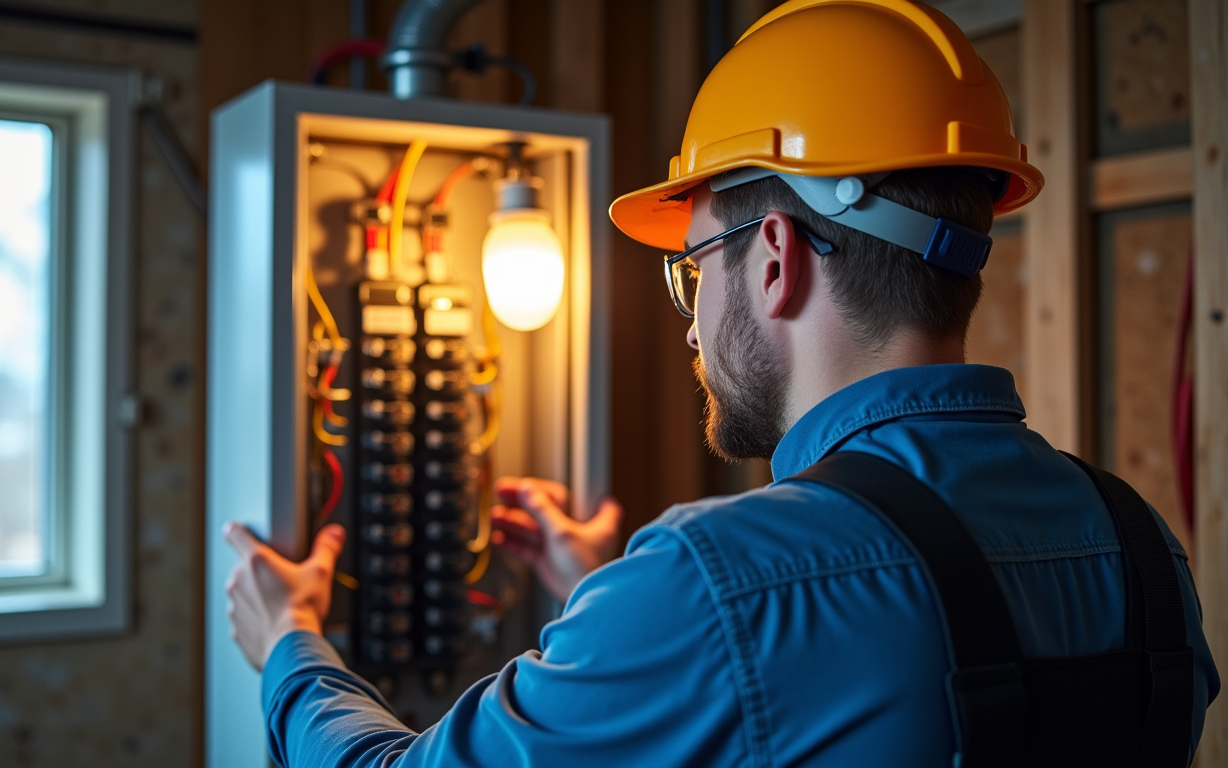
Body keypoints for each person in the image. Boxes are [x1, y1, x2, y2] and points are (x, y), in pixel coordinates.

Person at [223, 1, 1219, 765]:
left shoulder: (713, 583)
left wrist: (289, 643)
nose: (693, 324)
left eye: (695, 269)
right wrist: (616, 594)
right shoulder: (1144, 549)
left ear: (776, 257)